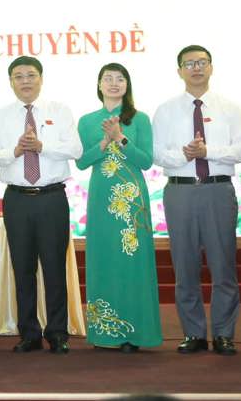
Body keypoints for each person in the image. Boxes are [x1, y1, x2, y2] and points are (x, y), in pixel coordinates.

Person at [152, 45, 241, 356]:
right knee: (185, 265)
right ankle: (193, 333)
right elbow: (157, 155)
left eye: (202, 62)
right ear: (179, 70)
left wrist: (210, 152)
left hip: (217, 191)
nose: (196, 68)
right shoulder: (166, 110)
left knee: (223, 265)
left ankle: (223, 334)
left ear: (211, 67)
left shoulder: (230, 108)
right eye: (189, 63)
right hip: (180, 191)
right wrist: (183, 154)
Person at [0, 56, 82, 354]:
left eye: (31, 75)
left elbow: (76, 149)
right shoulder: (1, 116)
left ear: (41, 78)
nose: (25, 81)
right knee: (23, 268)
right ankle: (29, 333)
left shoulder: (60, 111)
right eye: (18, 76)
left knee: (55, 267)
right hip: (17, 199)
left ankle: (57, 332)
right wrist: (15, 150)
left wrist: (43, 146)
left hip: (52, 197)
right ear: (11, 82)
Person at [75, 63, 162, 353]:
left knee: (133, 262)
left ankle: (135, 333)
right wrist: (103, 142)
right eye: (108, 79)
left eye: (120, 79)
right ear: (99, 85)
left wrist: (120, 138)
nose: (114, 83)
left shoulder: (139, 119)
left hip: (132, 200)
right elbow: (82, 162)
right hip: (101, 198)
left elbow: (146, 161)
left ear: (128, 85)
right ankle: (106, 332)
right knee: (104, 258)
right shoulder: (88, 121)